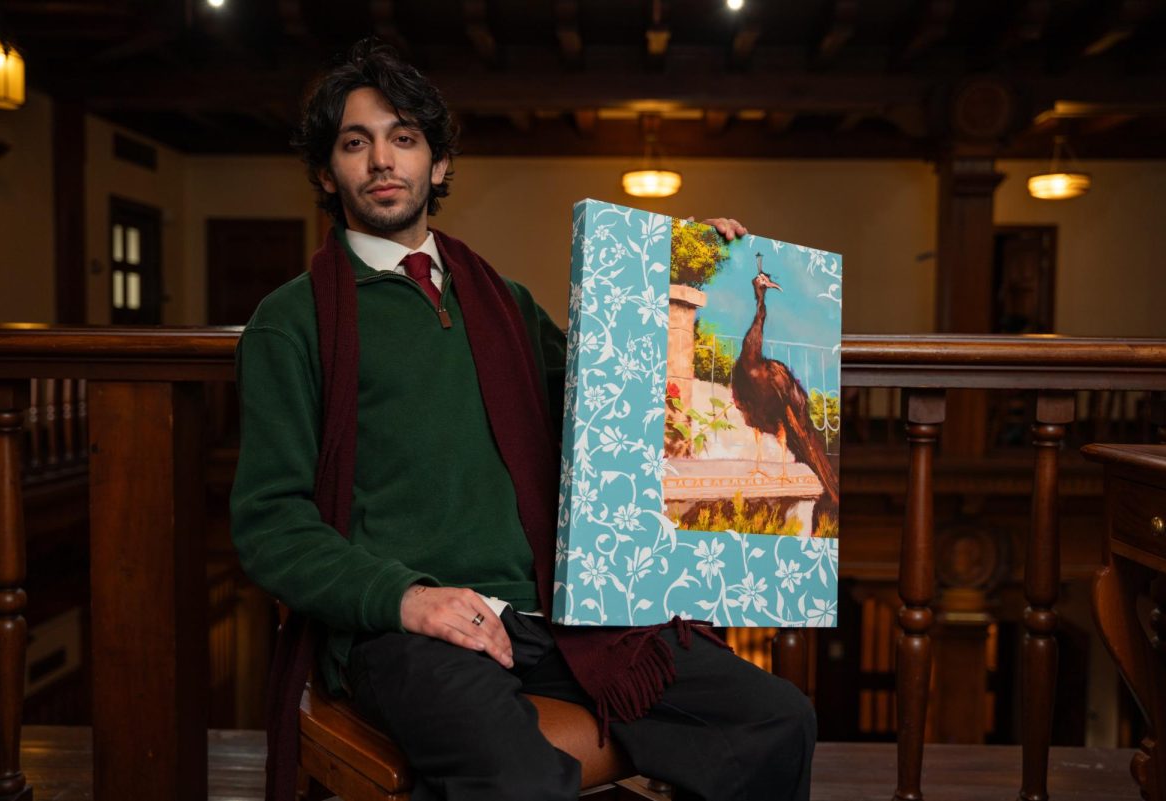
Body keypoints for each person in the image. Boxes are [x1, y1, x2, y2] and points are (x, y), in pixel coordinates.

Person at [231, 37, 816, 801]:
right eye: (355, 142)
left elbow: (610, 404)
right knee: (516, 776)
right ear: (325, 170)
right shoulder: (294, 321)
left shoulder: (502, 299)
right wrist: (408, 598)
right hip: (405, 628)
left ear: (437, 164)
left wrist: (690, 265)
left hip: (553, 609)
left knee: (777, 717)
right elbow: (270, 524)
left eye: (404, 138)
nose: (382, 160)